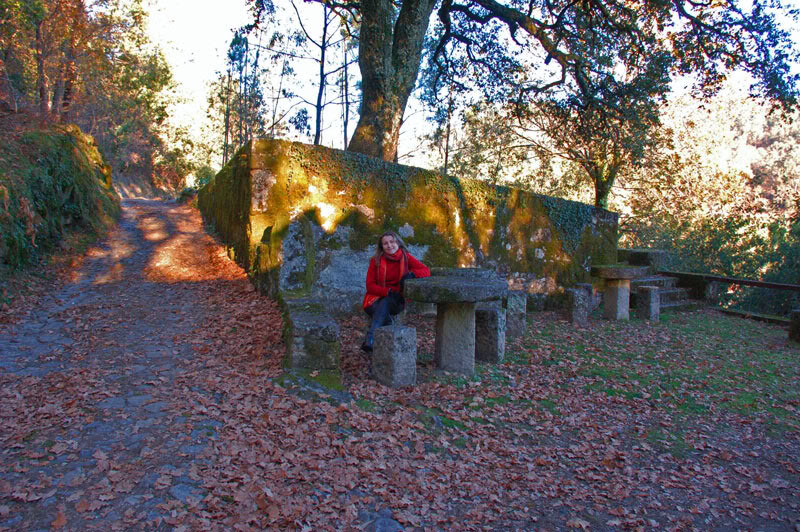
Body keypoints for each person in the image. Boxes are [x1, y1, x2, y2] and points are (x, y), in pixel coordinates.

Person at [361, 230, 430, 353]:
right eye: (385, 243)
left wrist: (411, 275)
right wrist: (387, 291)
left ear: (398, 243)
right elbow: (370, 285)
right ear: (381, 247)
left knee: (387, 302)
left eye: (392, 242)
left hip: (397, 300)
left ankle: (371, 338)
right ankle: (385, 330)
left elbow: (426, 271)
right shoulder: (375, 260)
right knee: (384, 304)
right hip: (375, 299)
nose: (389, 245)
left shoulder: (406, 257)